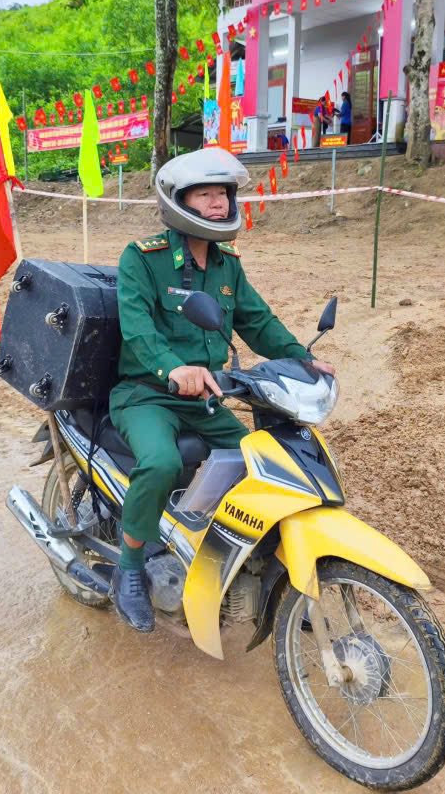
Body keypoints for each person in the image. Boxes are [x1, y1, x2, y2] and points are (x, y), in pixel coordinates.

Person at [109, 146, 336, 632]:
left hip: (208, 397)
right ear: (179, 202)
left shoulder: (227, 263)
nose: (218, 203)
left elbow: (257, 321)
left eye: (223, 194)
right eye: (205, 195)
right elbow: (137, 331)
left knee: (264, 463)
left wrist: (301, 358)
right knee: (161, 462)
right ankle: (128, 568)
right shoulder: (142, 258)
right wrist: (174, 369)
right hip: (146, 395)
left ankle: (258, 566)